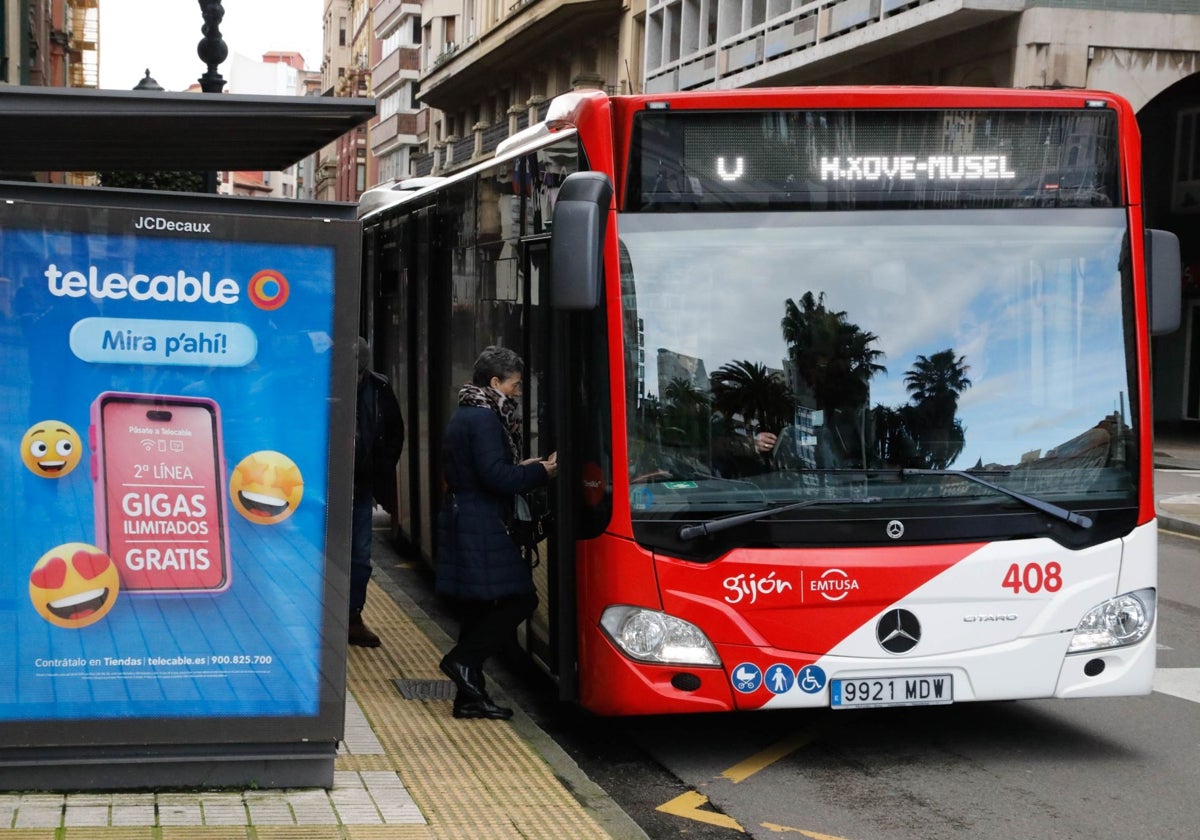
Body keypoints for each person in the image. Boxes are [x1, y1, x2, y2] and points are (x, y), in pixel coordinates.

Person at [435, 346, 557, 720]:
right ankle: (461, 662)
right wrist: (541, 472)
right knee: (521, 598)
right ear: (495, 383)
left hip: (468, 517)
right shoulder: (485, 420)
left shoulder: (467, 414)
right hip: (481, 522)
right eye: (515, 385)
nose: (518, 392)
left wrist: (520, 465)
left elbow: (484, 469)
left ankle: (470, 696)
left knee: (477, 608)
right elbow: (495, 478)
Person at [350, 336, 405, 648]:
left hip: (361, 484)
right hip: (321, 484)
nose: (354, 378)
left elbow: (395, 432)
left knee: (360, 555)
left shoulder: (379, 388)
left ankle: (352, 615)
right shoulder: (316, 382)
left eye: (358, 373)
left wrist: (378, 471)